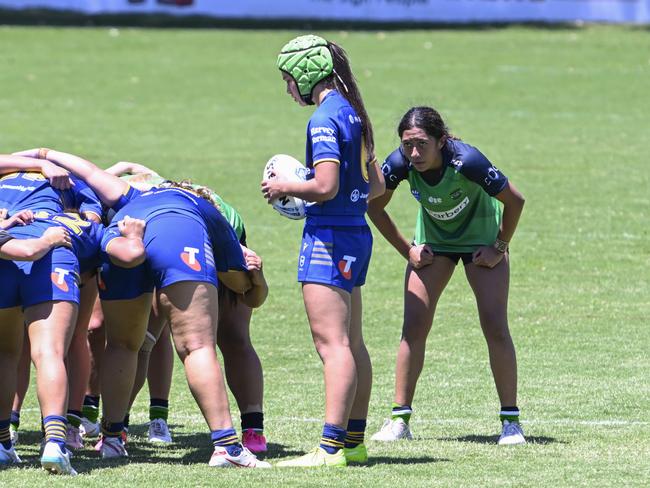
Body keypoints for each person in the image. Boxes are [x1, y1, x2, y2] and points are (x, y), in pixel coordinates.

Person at [23, 148, 271, 468]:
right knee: (196, 346)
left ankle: (112, 438)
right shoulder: (206, 209)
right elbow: (245, 293)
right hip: (178, 231)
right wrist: (257, 276)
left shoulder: (128, 193)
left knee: (123, 344)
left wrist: (43, 153)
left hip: (124, 234)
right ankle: (227, 447)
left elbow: (86, 170)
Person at [367, 106, 526, 445]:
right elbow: (373, 205)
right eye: (407, 144)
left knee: (495, 325)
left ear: (441, 141)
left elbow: (515, 200)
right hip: (434, 244)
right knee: (413, 327)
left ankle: (511, 423)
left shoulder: (467, 161)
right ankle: (399, 422)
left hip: (481, 241)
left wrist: (499, 246)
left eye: (422, 144)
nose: (413, 153)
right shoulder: (400, 164)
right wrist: (407, 250)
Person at [261, 34, 384, 467]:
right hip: (355, 233)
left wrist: (284, 187)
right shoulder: (355, 114)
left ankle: (330, 448)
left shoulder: (323, 119)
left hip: (329, 239)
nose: (287, 88)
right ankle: (354, 442)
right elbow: (378, 187)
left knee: (332, 344)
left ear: (306, 73)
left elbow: (324, 186)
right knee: (352, 343)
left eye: (287, 78)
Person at [106, 163, 269, 452]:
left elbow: (252, 297)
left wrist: (256, 276)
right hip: (182, 234)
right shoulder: (158, 195)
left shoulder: (130, 203)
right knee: (146, 340)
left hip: (207, 235)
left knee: (227, 337)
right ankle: (121, 427)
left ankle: (114, 432)